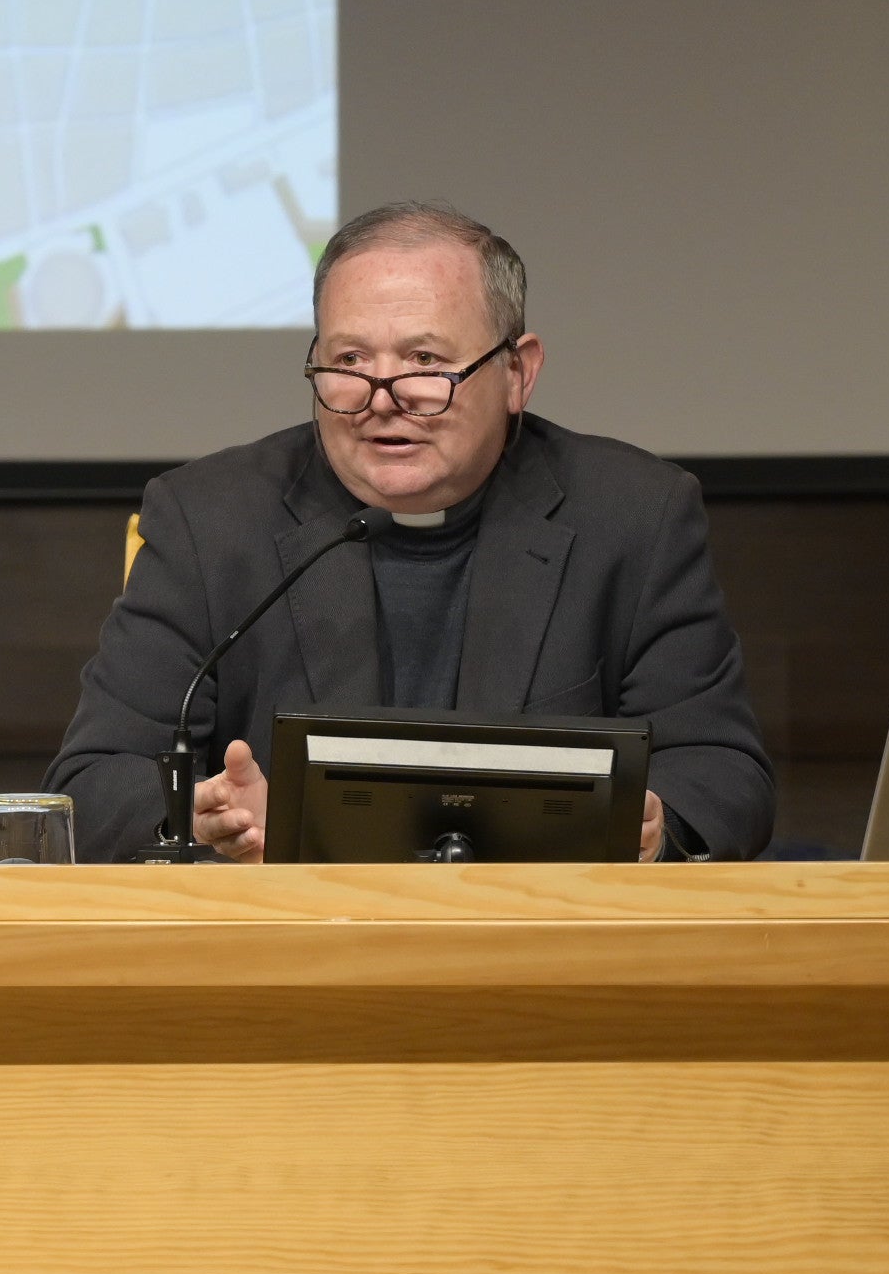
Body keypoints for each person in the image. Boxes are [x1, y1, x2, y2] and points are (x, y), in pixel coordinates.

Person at [48, 201, 772, 863]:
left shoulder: (632, 515)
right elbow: (95, 779)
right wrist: (205, 816)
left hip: (542, 942)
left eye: (425, 362)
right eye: (349, 362)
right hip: (294, 950)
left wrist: (653, 822)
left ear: (518, 372)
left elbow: (720, 770)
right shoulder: (211, 518)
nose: (381, 400)